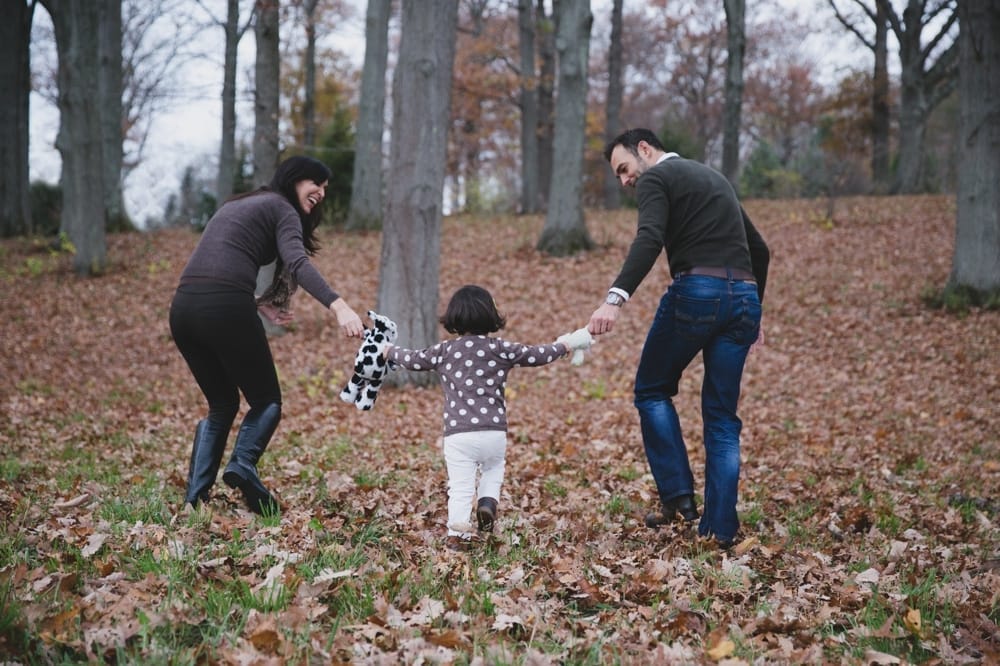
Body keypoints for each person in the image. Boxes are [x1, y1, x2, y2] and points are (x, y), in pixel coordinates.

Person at [588, 128, 770, 549]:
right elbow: (759, 251)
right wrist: (752, 307)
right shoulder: (714, 178)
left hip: (697, 293)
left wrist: (614, 299)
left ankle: (679, 498)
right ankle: (719, 530)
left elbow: (649, 238)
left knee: (651, 390)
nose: (625, 181)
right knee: (723, 420)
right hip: (742, 299)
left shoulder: (657, 178)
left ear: (646, 150)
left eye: (624, 168)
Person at [169, 156, 364, 515]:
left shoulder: (240, 204)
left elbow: (221, 260)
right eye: (315, 183)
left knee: (222, 404)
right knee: (266, 400)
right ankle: (242, 466)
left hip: (183, 310)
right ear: (293, 179)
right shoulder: (282, 207)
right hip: (224, 306)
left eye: (324, 188)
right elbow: (297, 262)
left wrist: (259, 303)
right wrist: (339, 307)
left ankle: (195, 501)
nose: (320, 192)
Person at [384, 285, 592, 551]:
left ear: (454, 317)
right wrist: (565, 344)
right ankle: (487, 503)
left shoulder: (445, 351)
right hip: (494, 431)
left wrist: (389, 351)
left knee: (459, 487)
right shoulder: (500, 348)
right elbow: (536, 355)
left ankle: (458, 536)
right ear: (490, 315)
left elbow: (414, 360)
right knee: (493, 469)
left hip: (459, 434)